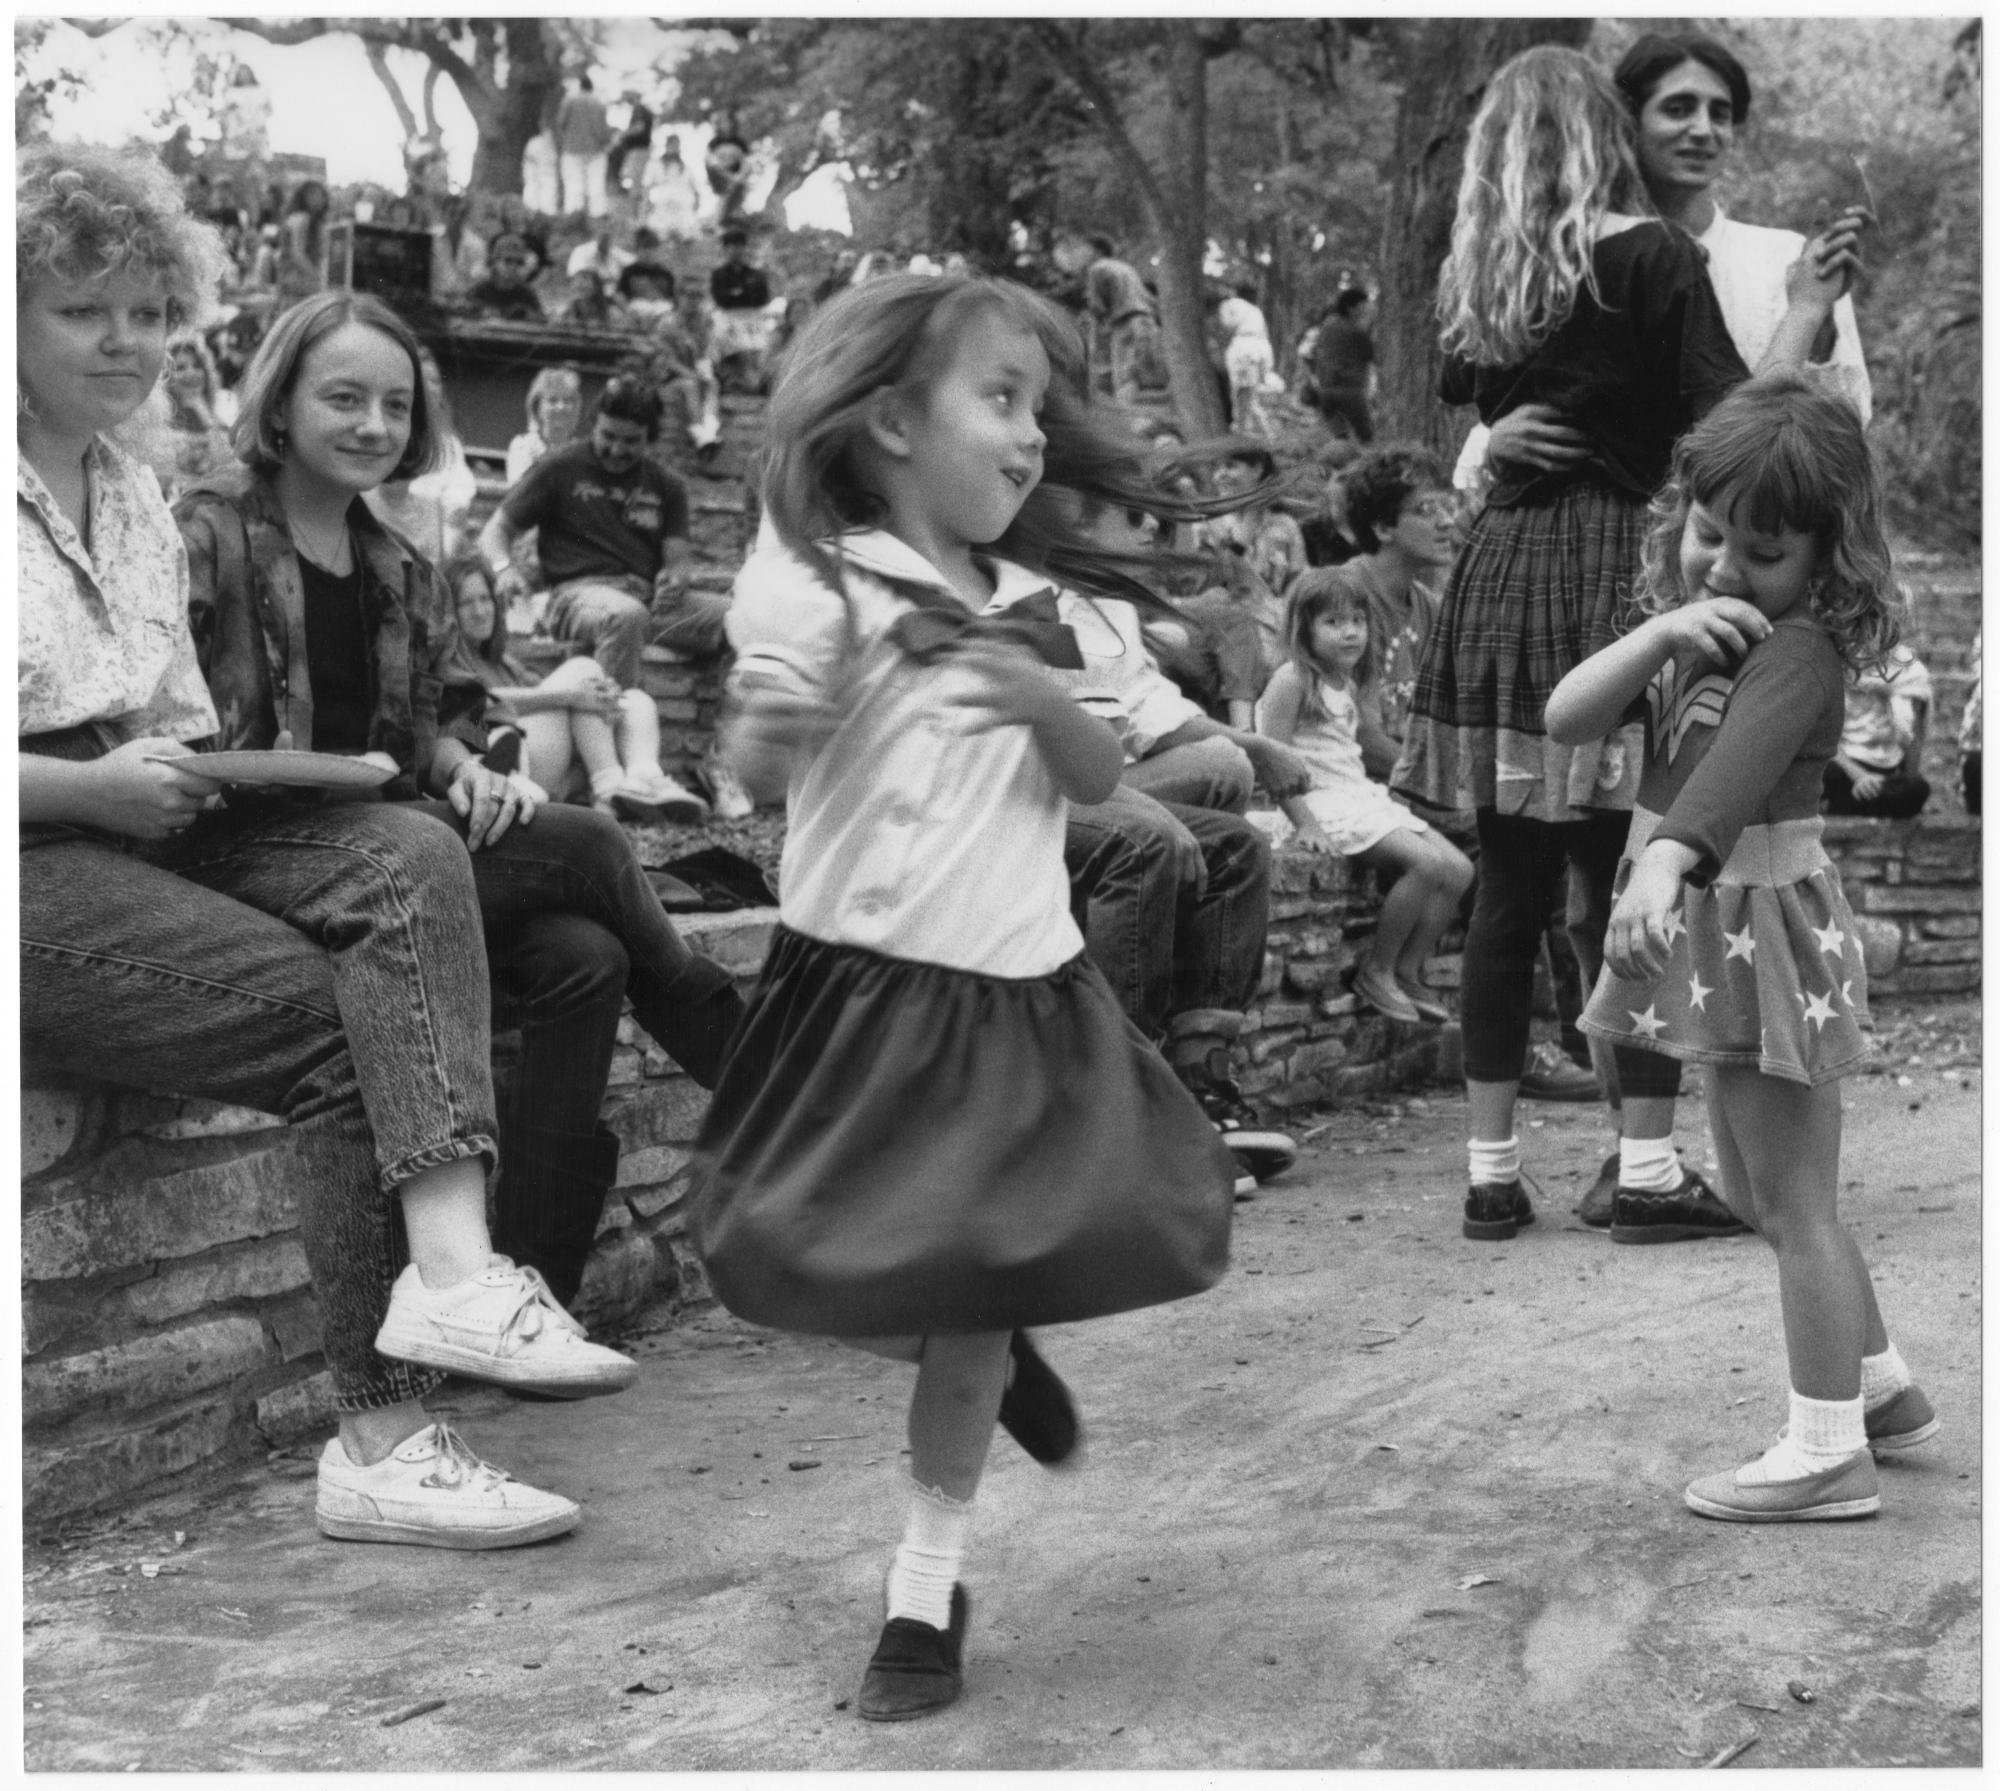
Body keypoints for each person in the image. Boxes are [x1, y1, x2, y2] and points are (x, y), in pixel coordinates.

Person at [19, 142, 627, 1553]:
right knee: (341, 1024)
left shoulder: (127, 485)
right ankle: (385, 1433)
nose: (124, 339)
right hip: (33, 851)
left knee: (407, 841)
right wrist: (83, 791)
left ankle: (462, 1271)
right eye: (80, 308)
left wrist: (254, 776)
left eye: (146, 308)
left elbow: (171, 717)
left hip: (149, 809)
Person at [690, 273, 1237, 1721]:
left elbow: (1101, 773)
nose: (1032, 436)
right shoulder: (816, 574)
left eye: (1039, 410)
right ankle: (982, 1351)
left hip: (1009, 993)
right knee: (769, 1257)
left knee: (977, 1287)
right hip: (845, 993)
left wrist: (1033, 694)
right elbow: (754, 762)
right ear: (886, 418)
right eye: (1000, 399)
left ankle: (923, 1583)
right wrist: (767, 725)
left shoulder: (1042, 604)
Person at [173, 288, 746, 1313]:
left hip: (389, 843)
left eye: (394, 407)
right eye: (343, 398)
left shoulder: (399, 561)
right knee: (588, 847)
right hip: (240, 849)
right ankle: (784, 1107)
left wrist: (468, 767)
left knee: (586, 958)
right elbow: (161, 708)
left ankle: (534, 1291)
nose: (373, 426)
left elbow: (441, 719)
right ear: (280, 401)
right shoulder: (205, 532)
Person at [1390, 46, 1856, 1244]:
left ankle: (1490, 1171)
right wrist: (1802, 313)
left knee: (1508, 883)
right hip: (1610, 575)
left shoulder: (1487, 275)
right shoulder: (1649, 256)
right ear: (1606, 132)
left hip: (1499, 576)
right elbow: (1728, 427)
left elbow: (1467, 384)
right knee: (1624, 863)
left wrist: (1501, 432)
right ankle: (1642, 1169)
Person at [1547, 374, 1936, 1519]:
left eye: (1760, 552)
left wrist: (1664, 860)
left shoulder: (1798, 650)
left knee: (1793, 1202)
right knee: (1769, 1194)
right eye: (1706, 534)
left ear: (1827, 559)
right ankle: (1877, 1392)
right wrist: (1662, 629)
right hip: (1717, 937)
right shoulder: (1703, 627)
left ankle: (1824, 1455)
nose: (1722, 568)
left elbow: (1726, 779)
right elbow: (1568, 714)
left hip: (1754, 931)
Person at [1259, 572, 1473, 1024]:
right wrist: (1305, 823)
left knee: (1459, 869)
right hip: (1318, 802)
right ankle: (1376, 971)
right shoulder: (1292, 680)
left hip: (1357, 795)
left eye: (1358, 620)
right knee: (1426, 864)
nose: (1351, 631)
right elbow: (1271, 760)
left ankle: (1407, 969)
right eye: (1334, 622)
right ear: (1303, 629)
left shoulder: (1347, 681)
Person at [478, 377, 711, 712]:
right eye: (608, 436)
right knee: (624, 616)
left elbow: (678, 561)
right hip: (577, 597)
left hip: (649, 600)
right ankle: (612, 738)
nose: (616, 449)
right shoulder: (561, 466)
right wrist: (504, 568)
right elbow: (495, 531)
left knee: (739, 618)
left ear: (650, 439)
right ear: (594, 426)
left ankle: (721, 747)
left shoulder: (667, 485)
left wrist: (676, 578)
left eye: (631, 441)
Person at [445, 553, 696, 822]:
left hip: (548, 759)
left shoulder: (503, 662)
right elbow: (482, 701)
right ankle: (609, 789)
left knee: (634, 699)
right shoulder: (449, 660)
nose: (480, 611)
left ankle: (644, 778)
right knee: (582, 671)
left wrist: (603, 695)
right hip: (510, 762)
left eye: (485, 599)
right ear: (449, 612)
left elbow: (545, 692)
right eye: (466, 604)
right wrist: (574, 696)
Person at [1823, 643, 1932, 818]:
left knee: (1917, 788)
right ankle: (1853, 802)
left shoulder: (1909, 670)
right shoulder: (1835, 662)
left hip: (1886, 769)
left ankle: (1845, 804)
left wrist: (1903, 779)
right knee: (1826, 774)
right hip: (1843, 764)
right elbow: (1822, 737)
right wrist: (1859, 776)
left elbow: (1912, 737)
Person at [1081, 234, 1163, 404]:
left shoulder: (1097, 268)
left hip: (1125, 325)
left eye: (1085, 250)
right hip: (1147, 322)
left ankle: (1127, 423)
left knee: (1125, 378)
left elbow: (1097, 308)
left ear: (1096, 251)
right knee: (1147, 378)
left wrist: (1093, 344)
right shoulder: (1126, 268)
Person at [708, 227, 776, 393]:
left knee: (759, 348)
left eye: (739, 246)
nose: (735, 251)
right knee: (740, 347)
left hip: (753, 317)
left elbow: (762, 298)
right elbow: (721, 299)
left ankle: (758, 383)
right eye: (731, 246)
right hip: (728, 317)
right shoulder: (719, 274)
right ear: (725, 249)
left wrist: (737, 293)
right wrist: (744, 293)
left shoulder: (757, 274)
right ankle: (749, 385)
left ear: (745, 248)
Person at [1312, 289, 1377, 443]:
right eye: (1363, 307)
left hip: (1325, 390)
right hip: (1350, 391)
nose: (1366, 311)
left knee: (1340, 437)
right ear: (1351, 308)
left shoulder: (1327, 325)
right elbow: (1373, 356)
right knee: (1367, 437)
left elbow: (1316, 352)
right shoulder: (1356, 330)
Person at [504, 363, 584, 487]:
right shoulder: (523, 447)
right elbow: (520, 494)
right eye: (553, 400)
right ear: (537, 408)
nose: (561, 407)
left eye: (568, 400)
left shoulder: (582, 451)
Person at [1215, 282, 1278, 437]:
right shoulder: (1256, 310)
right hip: (1262, 348)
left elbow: (1227, 325)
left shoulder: (1229, 304)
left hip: (1243, 348)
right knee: (1250, 394)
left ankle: (1247, 431)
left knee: (1242, 393)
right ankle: (1263, 431)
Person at [554, 73, 614, 219]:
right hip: (596, 150)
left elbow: (560, 123)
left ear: (580, 86)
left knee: (574, 186)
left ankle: (574, 220)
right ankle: (598, 219)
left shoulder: (569, 101)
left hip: (572, 149)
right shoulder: (598, 103)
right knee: (596, 187)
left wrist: (563, 141)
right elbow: (604, 130)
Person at [462, 232, 546, 323]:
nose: (513, 267)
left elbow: (542, 321)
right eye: (508, 261)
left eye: (519, 262)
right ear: (495, 262)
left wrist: (526, 314)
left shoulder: (527, 295)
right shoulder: (478, 291)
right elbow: (462, 317)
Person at [276, 179, 330, 306]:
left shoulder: (312, 221)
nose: (321, 199)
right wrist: (320, 278)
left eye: (322, 195)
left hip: (291, 278)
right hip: (295, 278)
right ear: (305, 197)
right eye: (316, 194)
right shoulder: (301, 218)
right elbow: (298, 255)